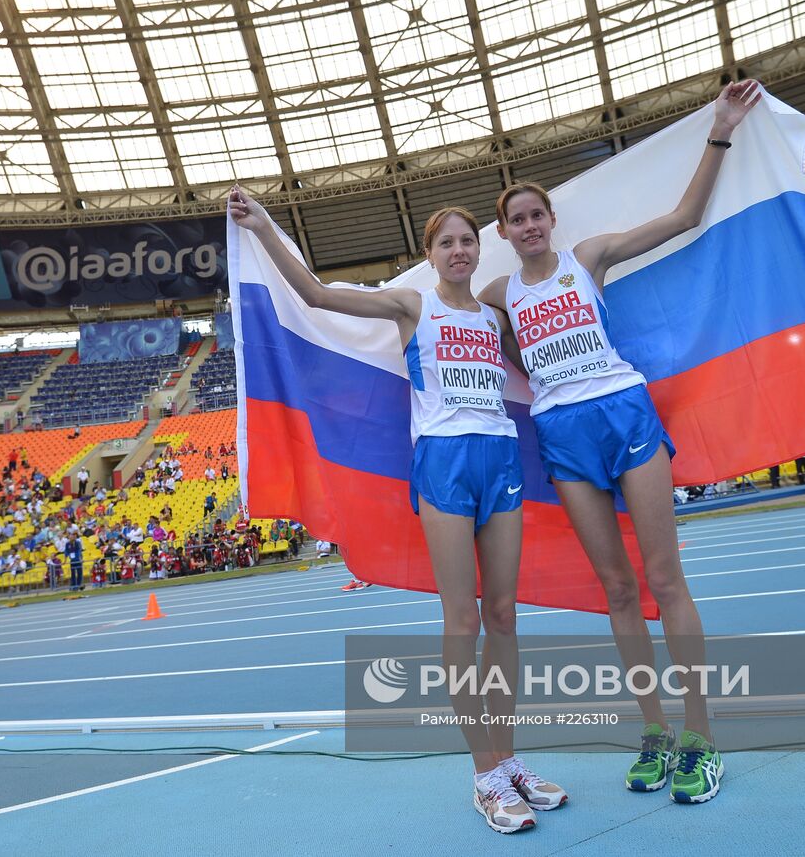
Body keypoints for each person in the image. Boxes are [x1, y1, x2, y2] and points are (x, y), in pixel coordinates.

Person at [232, 188, 564, 833]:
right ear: (431, 255)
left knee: (503, 614)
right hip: (443, 464)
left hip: (499, 458)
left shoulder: (498, 317)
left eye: (468, 240)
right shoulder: (413, 305)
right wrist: (267, 226)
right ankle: (484, 775)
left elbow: (552, 356)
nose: (459, 250)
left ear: (480, 246)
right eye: (447, 242)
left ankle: (510, 757)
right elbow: (317, 295)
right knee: (462, 617)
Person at [478, 80, 761, 806]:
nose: (531, 224)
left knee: (665, 580)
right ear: (503, 232)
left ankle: (700, 734)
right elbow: (433, 315)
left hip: (625, 414)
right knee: (619, 589)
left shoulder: (589, 256)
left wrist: (721, 129)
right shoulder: (499, 295)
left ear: (550, 219)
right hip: (563, 434)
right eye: (518, 218)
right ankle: (655, 732)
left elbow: (685, 216)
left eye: (538, 213)